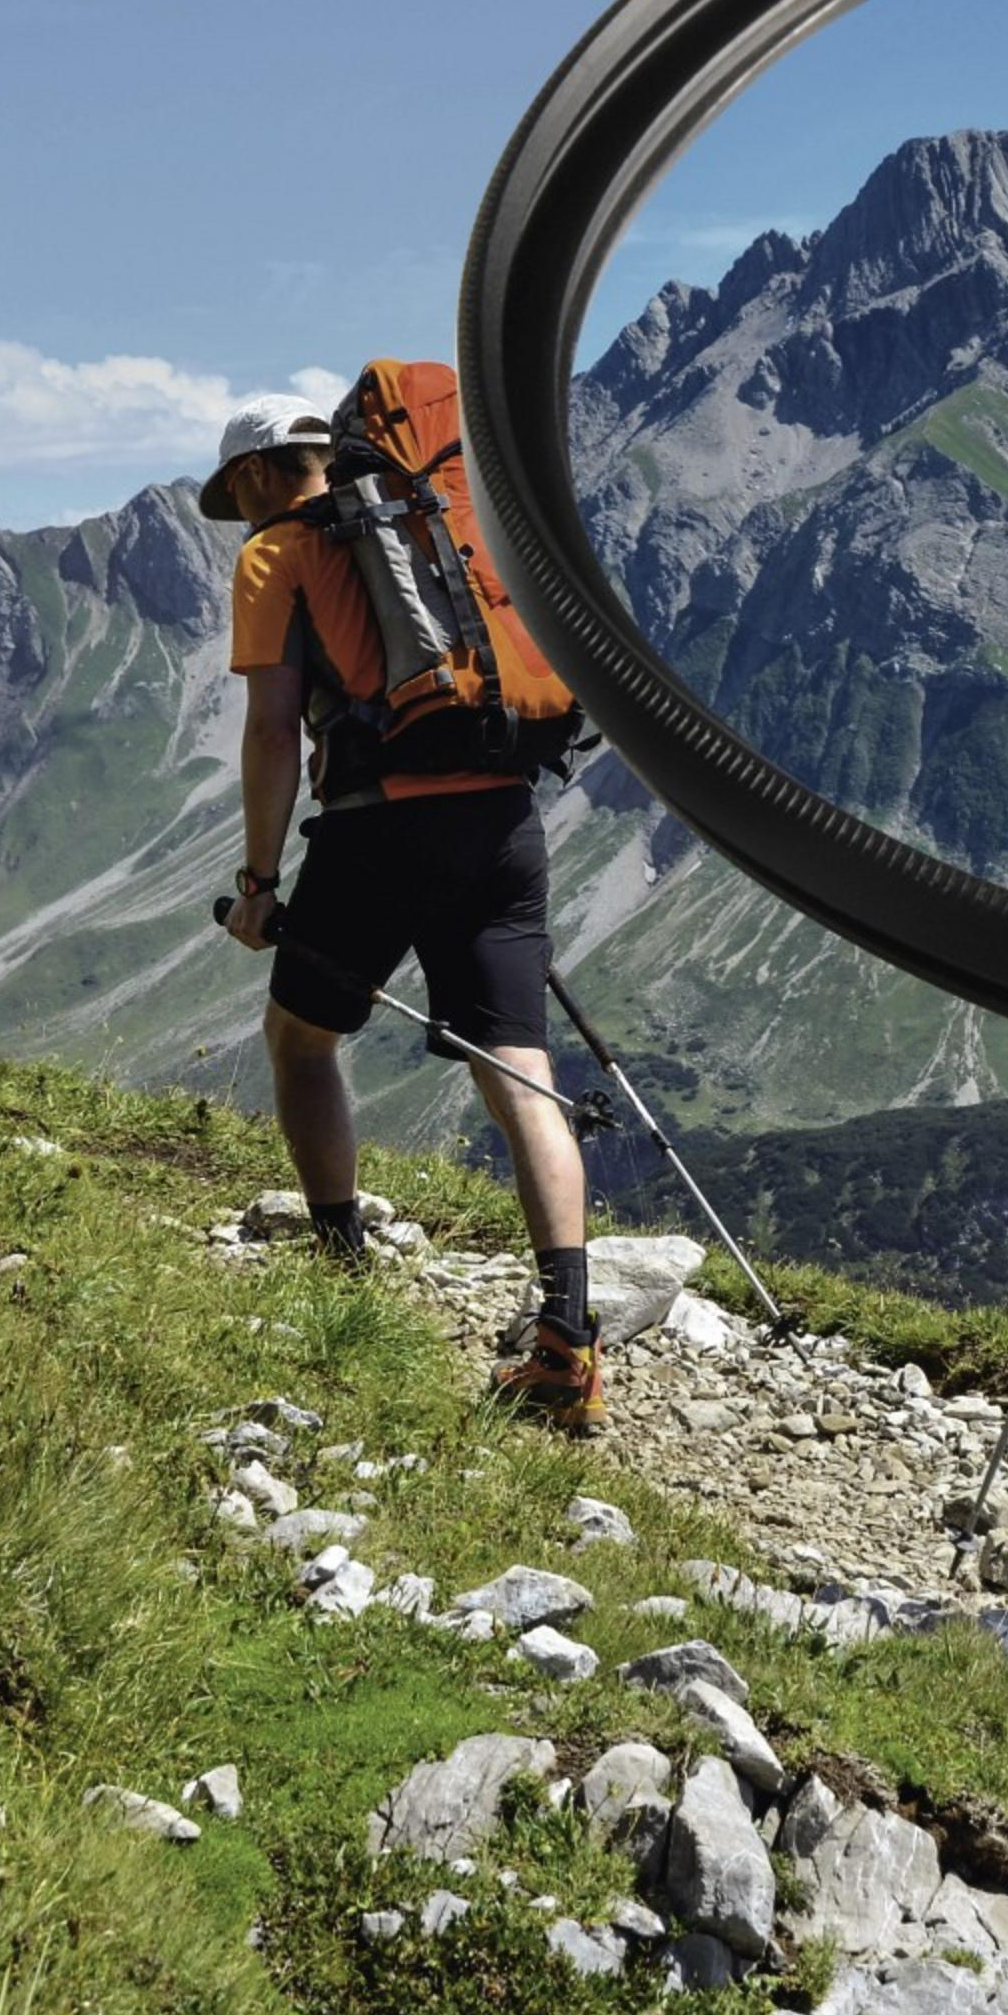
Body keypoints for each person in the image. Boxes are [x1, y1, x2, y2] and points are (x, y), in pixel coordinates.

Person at [203, 391, 605, 1435]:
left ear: (256, 472)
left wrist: (258, 885)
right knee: (519, 1068)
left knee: (299, 1039)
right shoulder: (441, 521)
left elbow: (271, 729)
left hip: (378, 828)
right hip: (505, 819)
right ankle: (568, 1336)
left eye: (233, 493)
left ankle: (340, 1268)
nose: (237, 512)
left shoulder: (276, 554)